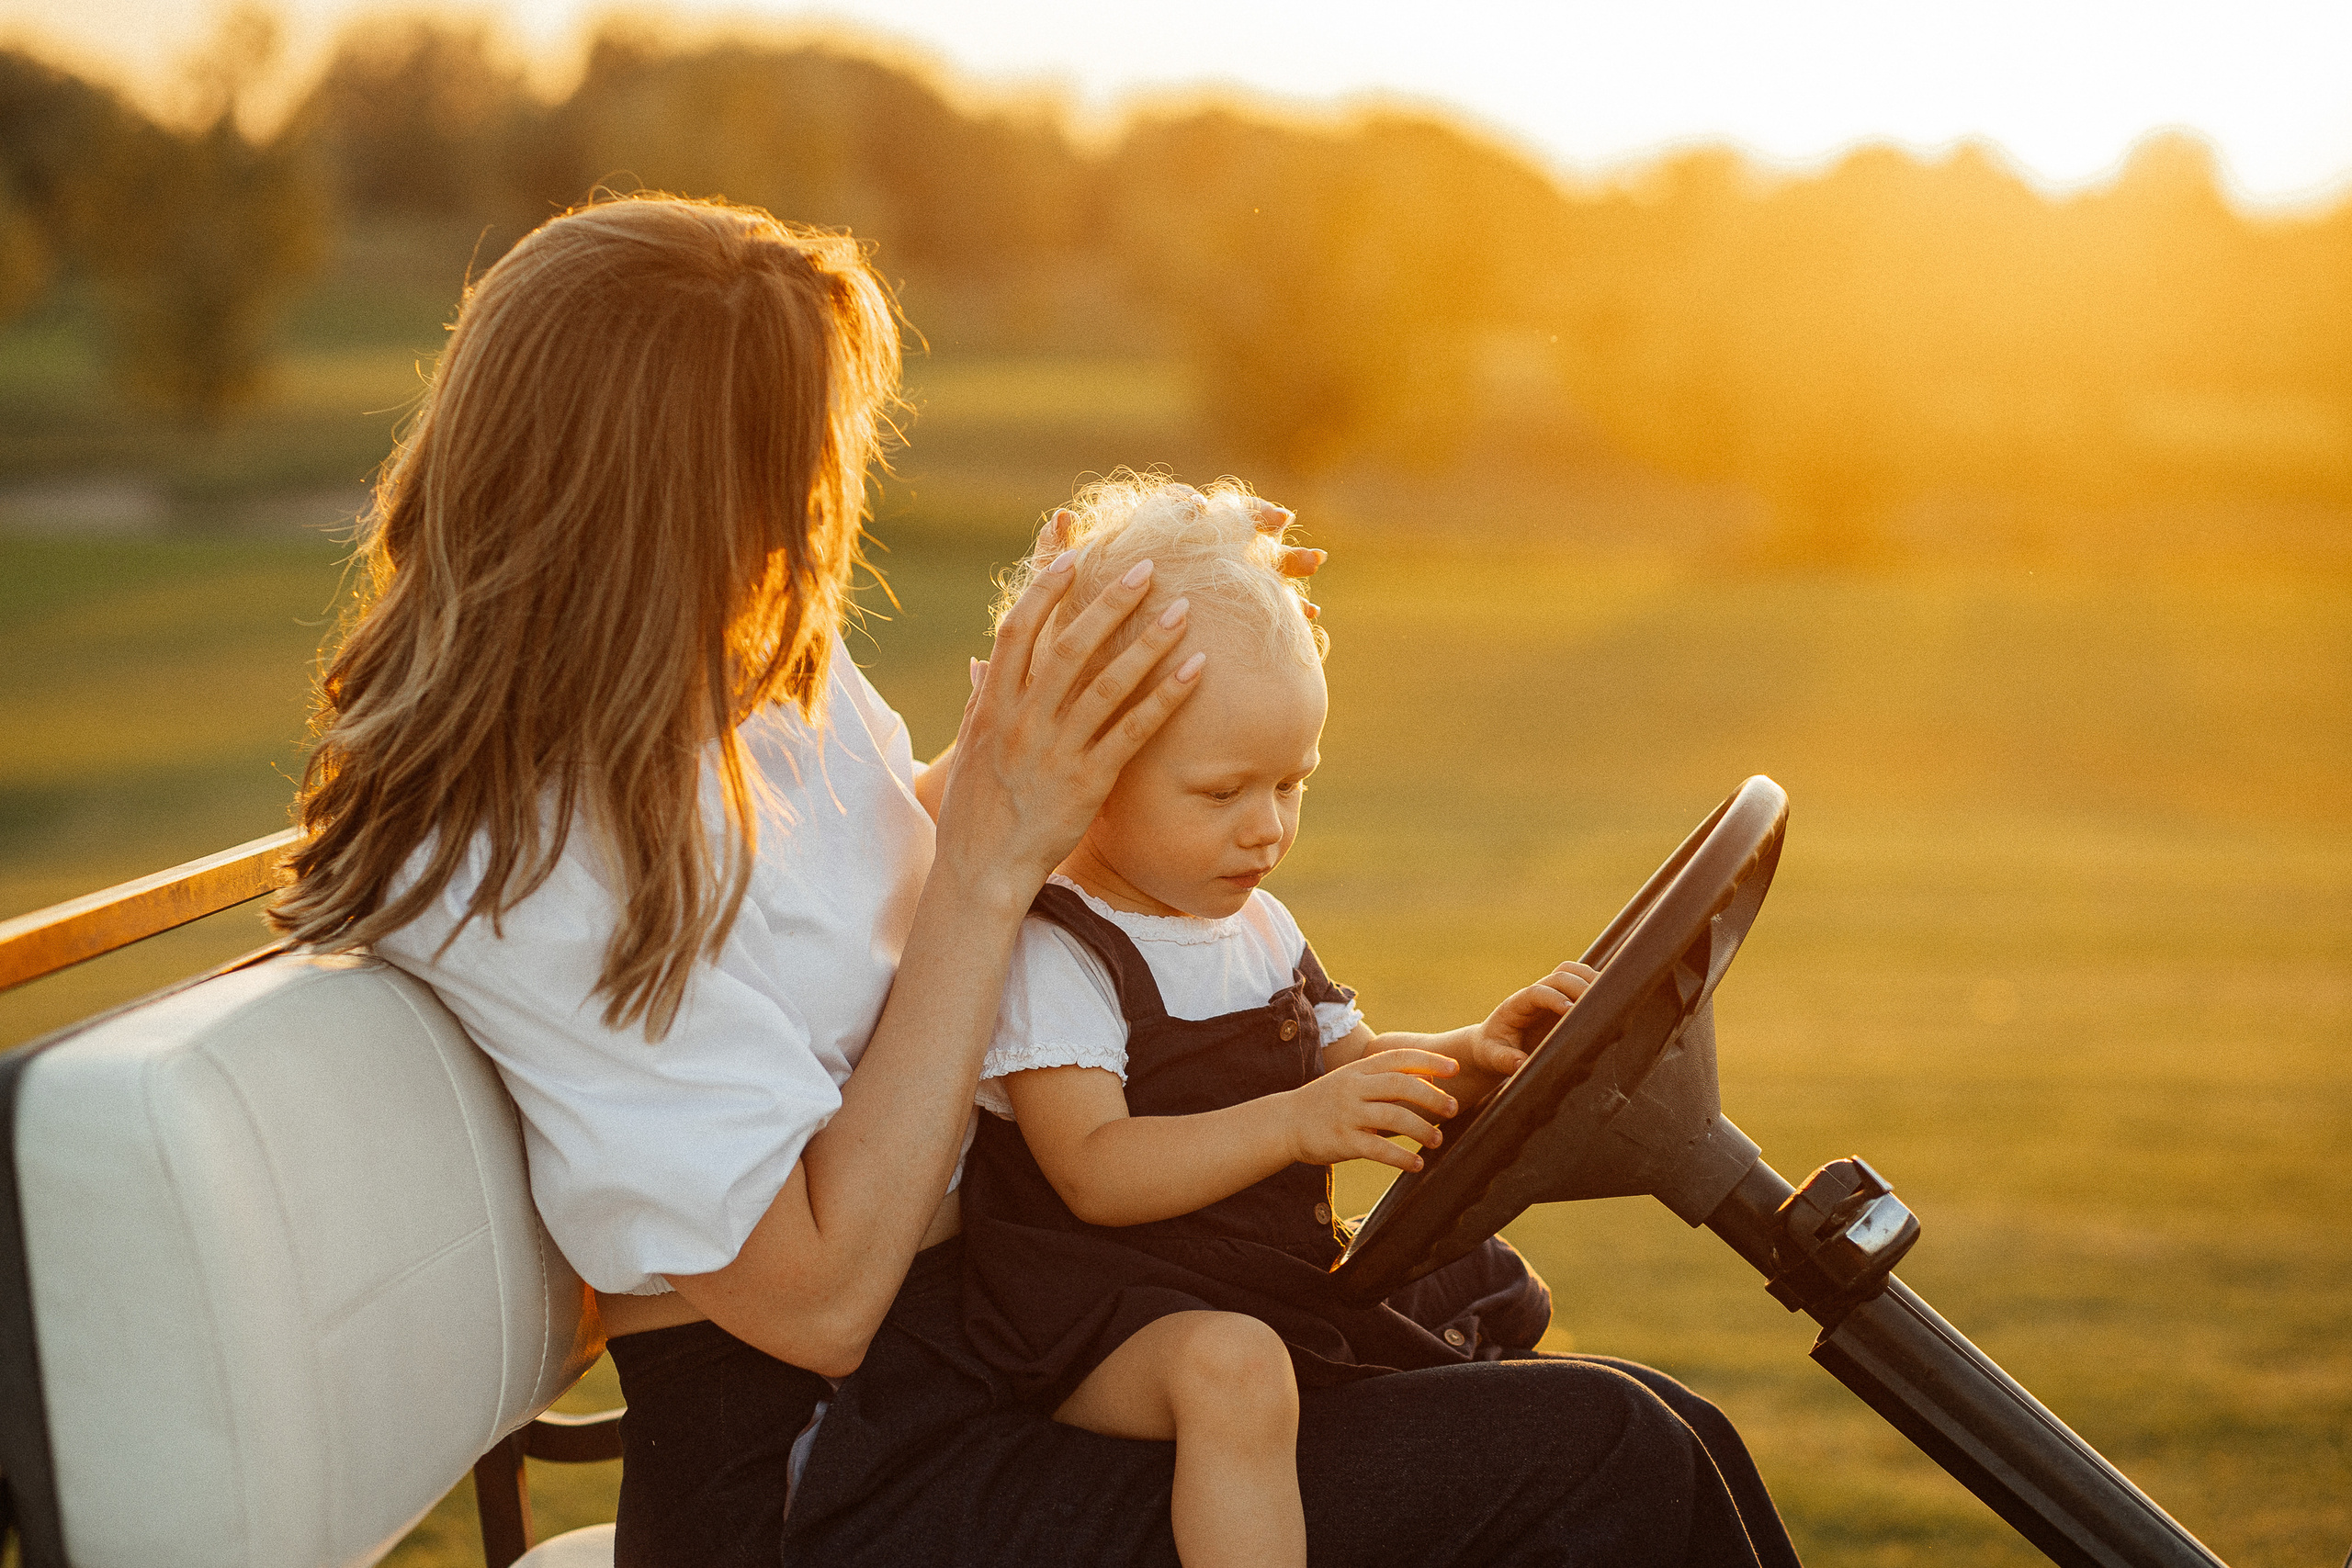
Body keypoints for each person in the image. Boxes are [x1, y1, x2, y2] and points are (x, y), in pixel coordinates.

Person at [271, 192, 1802, 1568]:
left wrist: (1103, 664)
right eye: (788, 469)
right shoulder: (521, 861)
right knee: (1612, 1462)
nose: (815, 516)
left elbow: (899, 871)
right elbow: (813, 1298)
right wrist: (1000, 845)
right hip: (821, 1477)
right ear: (658, 489)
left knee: (1648, 1432)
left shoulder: (748, 695)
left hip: (984, 1354)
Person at [959, 476, 1589, 1568]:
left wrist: (1474, 1054)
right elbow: (1094, 1171)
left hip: (1244, 1279)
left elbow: (1348, 1062)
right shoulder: (1055, 947)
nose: (1266, 830)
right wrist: (1296, 1126)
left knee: (1480, 1285)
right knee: (1235, 1376)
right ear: (1091, 776)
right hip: (1091, 1323)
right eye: (1221, 794)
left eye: (1291, 786)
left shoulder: (1249, 922)